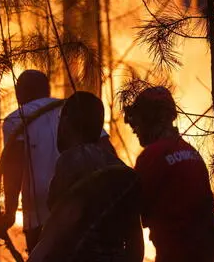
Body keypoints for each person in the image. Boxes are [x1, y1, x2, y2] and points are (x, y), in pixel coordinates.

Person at [0, 70, 110, 252]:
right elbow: (107, 152)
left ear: (19, 93)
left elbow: (13, 168)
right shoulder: (74, 109)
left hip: (39, 212)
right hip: (82, 202)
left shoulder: (16, 118)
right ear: (46, 90)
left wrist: (9, 213)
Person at [28, 91, 143, 262]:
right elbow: (136, 244)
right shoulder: (122, 170)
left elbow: (58, 229)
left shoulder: (71, 161)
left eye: (60, 119)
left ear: (66, 121)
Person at [124, 86, 214, 262]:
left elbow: (133, 215)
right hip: (208, 254)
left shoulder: (151, 156)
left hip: (176, 254)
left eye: (137, 122)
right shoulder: (192, 153)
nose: (134, 130)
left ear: (149, 119)